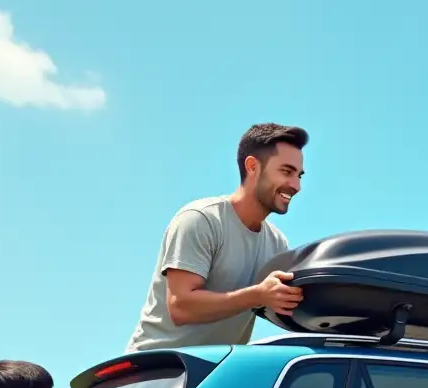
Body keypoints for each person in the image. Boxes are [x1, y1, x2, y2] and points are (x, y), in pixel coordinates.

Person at [126, 123, 310, 352]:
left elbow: (275, 306)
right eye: (286, 171)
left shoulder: (277, 244)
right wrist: (258, 295)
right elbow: (181, 307)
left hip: (214, 375)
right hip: (156, 373)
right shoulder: (200, 219)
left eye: (299, 175)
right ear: (253, 166)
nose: (296, 185)